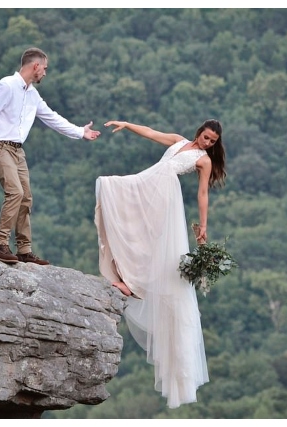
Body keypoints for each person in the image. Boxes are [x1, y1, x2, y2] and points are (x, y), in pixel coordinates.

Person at [94, 119, 226, 409]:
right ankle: (127, 275)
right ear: (199, 133)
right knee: (111, 190)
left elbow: (202, 193)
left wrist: (203, 227)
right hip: (149, 183)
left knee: (152, 242)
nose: (207, 143)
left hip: (165, 196)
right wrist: (127, 125)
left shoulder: (203, 161)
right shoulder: (179, 141)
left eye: (212, 141)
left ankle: (134, 283)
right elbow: (153, 134)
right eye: (205, 137)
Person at [0, 47, 100, 265]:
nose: (45, 73)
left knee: (26, 198)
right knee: (15, 192)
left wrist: (81, 132)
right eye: (45, 68)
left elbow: (52, 117)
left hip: (17, 150)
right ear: (36, 66)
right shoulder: (6, 86)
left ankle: (24, 250)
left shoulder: (32, 94)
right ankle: (0, 245)